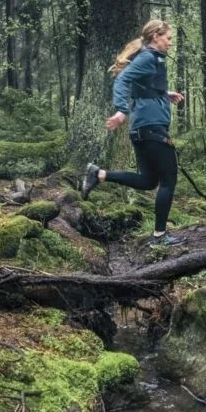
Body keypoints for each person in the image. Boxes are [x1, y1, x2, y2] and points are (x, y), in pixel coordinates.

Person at [81, 19, 184, 246]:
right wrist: (120, 110)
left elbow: (142, 85)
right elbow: (122, 80)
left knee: (148, 181)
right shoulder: (147, 57)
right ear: (156, 36)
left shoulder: (150, 58)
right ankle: (159, 236)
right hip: (151, 127)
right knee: (168, 180)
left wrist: (164, 94)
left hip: (142, 128)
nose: (170, 42)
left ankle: (99, 174)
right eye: (168, 38)